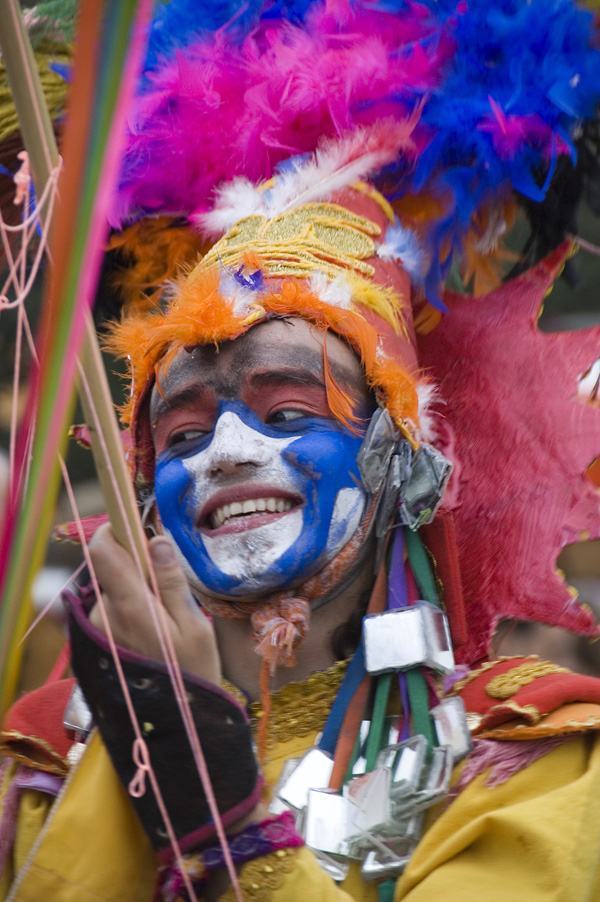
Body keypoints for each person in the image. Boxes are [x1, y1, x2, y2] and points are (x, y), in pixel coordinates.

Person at [3, 2, 600, 901]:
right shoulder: (39, 757)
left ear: (399, 458)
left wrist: (219, 799)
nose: (230, 453)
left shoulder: (535, 757)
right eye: (186, 434)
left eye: (287, 410)